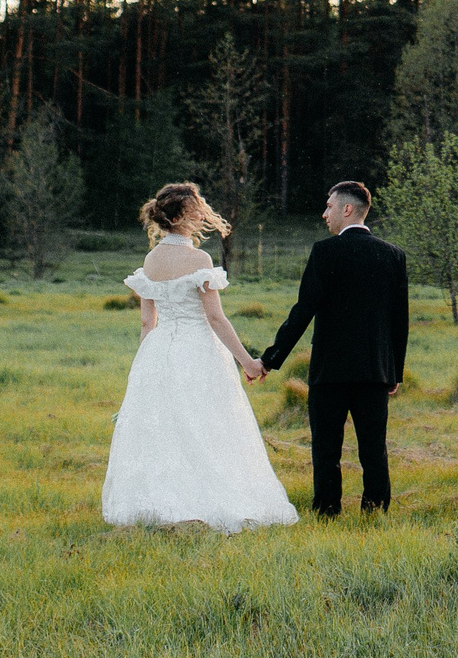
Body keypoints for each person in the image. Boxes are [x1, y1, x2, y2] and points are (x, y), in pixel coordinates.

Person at [100, 182, 297, 531]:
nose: (202, 214)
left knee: (167, 430)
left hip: (159, 352)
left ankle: (164, 504)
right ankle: (212, 501)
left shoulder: (151, 260)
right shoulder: (199, 260)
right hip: (199, 350)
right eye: (197, 210)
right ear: (182, 217)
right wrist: (248, 362)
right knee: (210, 426)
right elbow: (216, 318)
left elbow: (148, 321)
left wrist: (144, 368)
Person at [260, 179, 409, 515]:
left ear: (347, 209)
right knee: (374, 448)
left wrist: (271, 359)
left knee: (326, 449)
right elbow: (400, 320)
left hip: (330, 371)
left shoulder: (324, 252)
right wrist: (394, 371)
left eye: (329, 206)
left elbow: (302, 312)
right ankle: (376, 512)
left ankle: (327, 512)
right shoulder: (393, 256)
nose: (324, 213)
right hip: (375, 371)